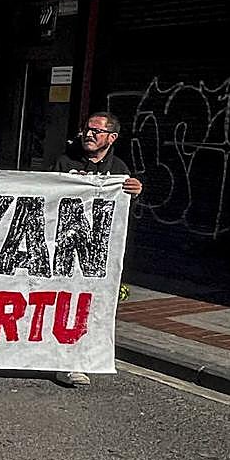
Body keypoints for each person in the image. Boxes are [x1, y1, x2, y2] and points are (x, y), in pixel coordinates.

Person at [50, 110, 143, 388]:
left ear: (111, 138)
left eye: (96, 131)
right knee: (62, 305)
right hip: (63, 248)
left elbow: (123, 216)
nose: (89, 134)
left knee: (87, 309)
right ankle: (59, 360)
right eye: (87, 129)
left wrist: (134, 194)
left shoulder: (120, 170)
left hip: (96, 253)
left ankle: (75, 363)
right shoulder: (64, 162)